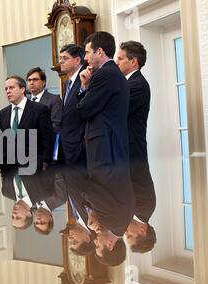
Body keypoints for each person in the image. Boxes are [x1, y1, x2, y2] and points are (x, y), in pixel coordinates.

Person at [116, 41, 157, 253]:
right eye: (130, 235)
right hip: (132, 153)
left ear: (133, 62)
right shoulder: (145, 207)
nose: (126, 232)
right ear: (142, 231)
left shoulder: (137, 84)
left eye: (119, 58)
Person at [77, 32, 130, 184]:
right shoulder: (113, 73)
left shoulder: (104, 74)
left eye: (87, 52)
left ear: (99, 51)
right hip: (111, 152)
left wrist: (84, 86)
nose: (85, 58)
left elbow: (83, 110)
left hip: (106, 153)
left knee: (107, 202)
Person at [0, 75, 54, 172]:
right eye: (6, 88)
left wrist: (45, 162)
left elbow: (47, 139)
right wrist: (1, 164)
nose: (8, 91)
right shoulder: (3, 113)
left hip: (34, 168)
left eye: (11, 87)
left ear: (22, 89)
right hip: (10, 169)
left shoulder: (39, 110)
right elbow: (2, 142)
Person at [58, 44, 86, 165]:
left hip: (80, 147)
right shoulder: (68, 83)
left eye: (65, 58)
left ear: (77, 60)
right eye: (60, 58)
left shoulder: (85, 79)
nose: (60, 61)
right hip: (67, 146)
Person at [26, 67, 62, 134]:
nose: (31, 82)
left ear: (43, 82)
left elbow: (56, 125)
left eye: (35, 79)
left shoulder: (54, 100)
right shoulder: (25, 102)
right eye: (29, 80)